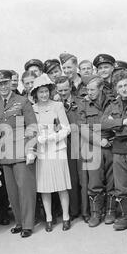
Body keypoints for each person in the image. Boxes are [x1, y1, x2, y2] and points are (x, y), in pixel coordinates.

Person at [0, 70, 38, 238]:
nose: (2, 86)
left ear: (11, 83)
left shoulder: (22, 101)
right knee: (12, 191)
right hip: (4, 152)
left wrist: (31, 149)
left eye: (5, 83)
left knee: (25, 189)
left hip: (22, 150)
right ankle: (19, 222)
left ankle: (28, 224)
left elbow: (32, 126)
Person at [32, 74, 72, 232]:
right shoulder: (33, 108)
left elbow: (66, 128)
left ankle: (66, 217)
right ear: (35, 93)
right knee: (45, 186)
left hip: (57, 150)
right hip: (42, 152)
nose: (44, 95)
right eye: (40, 92)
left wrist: (52, 137)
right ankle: (48, 217)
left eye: (46, 91)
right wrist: (38, 138)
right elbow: (29, 129)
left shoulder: (57, 106)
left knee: (62, 185)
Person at [78, 75, 116, 227]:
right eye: (87, 89)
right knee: (94, 181)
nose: (89, 92)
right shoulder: (84, 104)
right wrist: (99, 141)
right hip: (93, 145)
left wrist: (110, 139)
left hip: (112, 144)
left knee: (112, 180)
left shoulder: (113, 102)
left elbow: (117, 122)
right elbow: (82, 127)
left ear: (101, 88)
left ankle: (111, 211)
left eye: (92, 89)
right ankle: (95, 213)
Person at [101, 70, 127, 230]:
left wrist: (114, 124)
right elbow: (103, 123)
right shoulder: (113, 105)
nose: (124, 89)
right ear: (116, 89)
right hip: (119, 149)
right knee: (121, 186)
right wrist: (122, 122)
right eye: (120, 86)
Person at [55, 76, 85, 221]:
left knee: (84, 178)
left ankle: (86, 211)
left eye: (66, 89)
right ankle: (73, 211)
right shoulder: (54, 104)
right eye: (60, 90)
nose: (63, 92)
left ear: (71, 86)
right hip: (64, 145)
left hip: (80, 141)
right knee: (71, 178)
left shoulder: (80, 101)